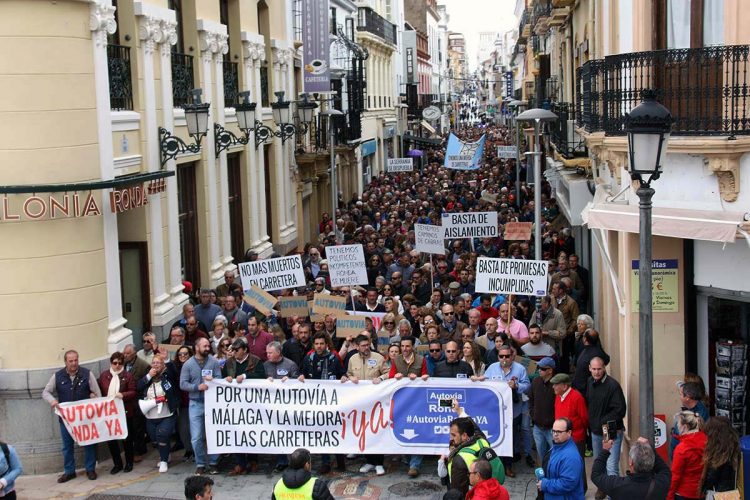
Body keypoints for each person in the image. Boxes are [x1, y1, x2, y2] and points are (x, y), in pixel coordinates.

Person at [41, 349, 102, 483]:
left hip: (85, 418)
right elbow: (45, 392)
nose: (74, 363)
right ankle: (69, 472)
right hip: (66, 419)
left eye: (76, 360)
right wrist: (53, 401)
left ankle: (90, 469)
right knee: (67, 446)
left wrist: (93, 396)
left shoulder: (87, 374)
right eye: (71, 361)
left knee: (89, 443)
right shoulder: (57, 376)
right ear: (65, 362)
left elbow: (98, 394)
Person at [341, 334, 389, 476]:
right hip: (360, 403)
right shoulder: (352, 359)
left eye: (368, 345)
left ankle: (379, 463)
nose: (366, 348)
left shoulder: (378, 357)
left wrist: (380, 378)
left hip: (376, 402)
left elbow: (388, 373)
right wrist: (350, 377)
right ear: (357, 346)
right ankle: (369, 461)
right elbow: (348, 373)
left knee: (377, 430)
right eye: (363, 345)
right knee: (364, 431)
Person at [484, 344, 531, 476]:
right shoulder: (492, 368)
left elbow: (527, 386)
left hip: (513, 410)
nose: (504, 358)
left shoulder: (520, 369)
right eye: (501, 356)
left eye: (507, 356)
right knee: (494, 439)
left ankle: (508, 466)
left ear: (512, 356)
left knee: (510, 439)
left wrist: (516, 385)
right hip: (495, 412)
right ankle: (494, 467)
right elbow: (485, 385)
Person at [179, 337, 223, 475]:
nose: (207, 348)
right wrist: (197, 387)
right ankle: (200, 463)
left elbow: (220, 380)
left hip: (211, 403)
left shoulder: (214, 362)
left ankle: (214, 462)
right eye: (204, 346)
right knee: (196, 436)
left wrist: (214, 380)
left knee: (213, 433)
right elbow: (183, 384)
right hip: (195, 403)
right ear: (197, 347)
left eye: (208, 346)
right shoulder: (188, 364)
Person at [223, 337, 265, 475]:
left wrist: (246, 376)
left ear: (245, 349)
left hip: (253, 403)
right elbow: (222, 378)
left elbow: (261, 376)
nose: (234, 352)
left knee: (252, 431)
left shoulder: (256, 360)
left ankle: (253, 461)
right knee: (236, 432)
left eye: (237, 349)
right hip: (235, 404)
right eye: (232, 350)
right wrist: (226, 379)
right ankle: (240, 463)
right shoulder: (229, 362)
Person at [586, 356, 626, 499]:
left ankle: (612, 496)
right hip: (596, 430)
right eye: (594, 369)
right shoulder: (590, 382)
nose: (597, 372)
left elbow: (620, 410)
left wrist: (601, 421)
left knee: (611, 467)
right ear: (590, 368)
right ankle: (602, 489)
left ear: (604, 368)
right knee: (600, 463)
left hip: (610, 429)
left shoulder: (613, 385)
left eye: (599, 369)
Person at [388, 336, 428, 477]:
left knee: (417, 430)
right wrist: (395, 376)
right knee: (403, 429)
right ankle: (407, 457)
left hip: (417, 402)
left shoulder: (421, 360)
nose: (405, 349)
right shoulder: (396, 360)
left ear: (413, 347)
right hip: (401, 402)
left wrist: (420, 378)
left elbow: (426, 377)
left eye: (407, 346)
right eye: (403, 346)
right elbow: (390, 377)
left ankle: (414, 465)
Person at [591, 437, 671, 499]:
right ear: (651, 461)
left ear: (631, 462)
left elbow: (596, 475)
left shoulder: (618, 485)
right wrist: (650, 449)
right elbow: (665, 469)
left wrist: (605, 450)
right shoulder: (661, 483)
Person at [138, 354, 180, 473]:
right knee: (154, 438)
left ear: (163, 365)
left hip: (166, 414)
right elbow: (139, 386)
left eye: (158, 363)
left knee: (163, 435)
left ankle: (164, 461)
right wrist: (148, 376)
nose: (155, 365)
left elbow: (173, 373)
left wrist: (167, 360)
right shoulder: (148, 377)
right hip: (151, 414)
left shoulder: (168, 375)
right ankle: (165, 454)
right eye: (154, 362)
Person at [97, 352, 137, 474]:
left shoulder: (128, 376)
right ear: (111, 363)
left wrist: (123, 395)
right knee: (111, 439)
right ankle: (117, 464)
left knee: (127, 438)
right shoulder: (104, 375)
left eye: (120, 363)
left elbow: (133, 391)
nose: (117, 365)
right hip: (109, 413)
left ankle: (129, 462)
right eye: (115, 363)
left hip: (124, 411)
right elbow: (99, 390)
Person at [446, 417, 503, 496]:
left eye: (453, 435)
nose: (450, 438)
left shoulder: (459, 460)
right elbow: (475, 428)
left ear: (464, 435)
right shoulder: (482, 441)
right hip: (490, 490)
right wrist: (460, 411)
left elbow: (457, 494)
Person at [537, 417, 585, 500]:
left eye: (559, 432)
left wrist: (545, 484)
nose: (555, 434)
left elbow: (567, 483)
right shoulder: (557, 447)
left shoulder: (571, 457)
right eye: (554, 431)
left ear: (569, 433)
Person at [668, 410, 707, 500]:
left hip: (684, 493)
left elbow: (675, 476)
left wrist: (669, 496)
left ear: (685, 427)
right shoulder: (707, 442)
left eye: (678, 425)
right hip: (701, 492)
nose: (677, 427)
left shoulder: (682, 449)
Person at [700, 416, 740, 495]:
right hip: (732, 493)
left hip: (718, 494)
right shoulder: (734, 447)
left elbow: (710, 480)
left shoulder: (718, 455)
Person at [669, 381, 709, 459]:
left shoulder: (699, 415)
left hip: (686, 458)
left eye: (680, 394)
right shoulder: (690, 408)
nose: (679, 397)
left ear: (687, 397)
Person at [529, 357, 557, 466]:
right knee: (541, 455)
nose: (539, 370)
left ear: (550, 370)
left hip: (552, 428)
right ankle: (544, 477)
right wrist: (533, 414)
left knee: (555, 455)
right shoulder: (536, 381)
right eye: (539, 367)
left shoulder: (556, 384)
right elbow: (531, 399)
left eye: (542, 368)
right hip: (538, 426)